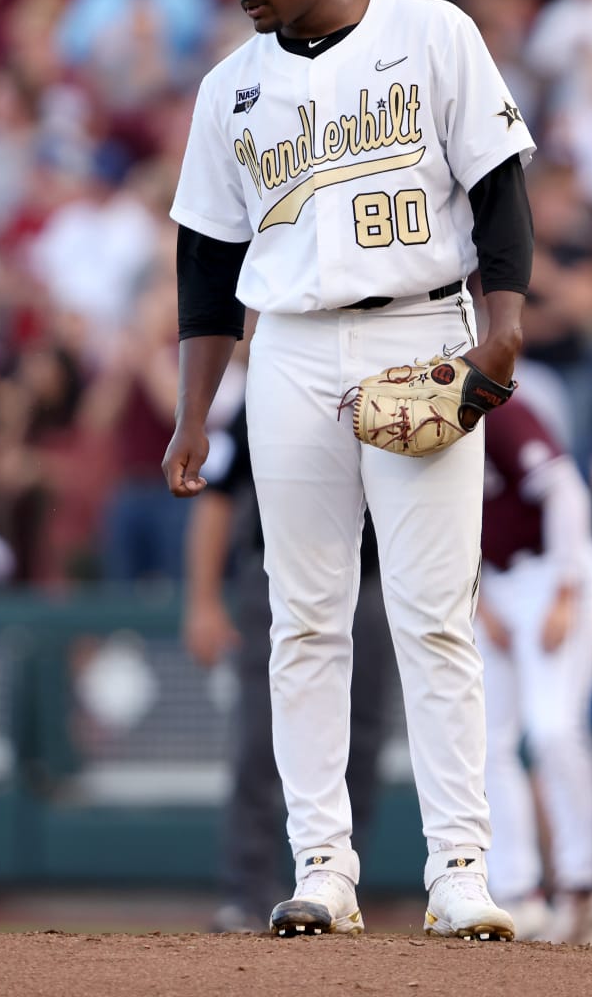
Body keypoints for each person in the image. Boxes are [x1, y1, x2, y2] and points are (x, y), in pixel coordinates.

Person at [162, 0, 536, 940]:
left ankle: (459, 865)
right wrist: (196, 412)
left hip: (421, 328)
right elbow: (207, 260)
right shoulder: (229, 87)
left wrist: (499, 327)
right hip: (286, 347)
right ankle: (322, 862)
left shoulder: (432, 32)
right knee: (304, 619)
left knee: (430, 614)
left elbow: (502, 189)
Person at [183, 396, 392, 932]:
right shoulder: (274, 385)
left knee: (360, 742)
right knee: (262, 734)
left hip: (372, 581)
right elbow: (218, 498)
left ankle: (336, 889)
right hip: (278, 576)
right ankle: (246, 893)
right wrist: (203, 600)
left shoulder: (394, 381)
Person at [475, 397, 592, 943]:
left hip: (553, 569)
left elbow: (566, 491)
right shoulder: (409, 420)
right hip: (492, 581)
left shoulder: (493, 404)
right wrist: (484, 603)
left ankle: (581, 881)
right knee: (488, 741)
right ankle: (516, 889)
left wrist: (563, 590)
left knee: (553, 727)